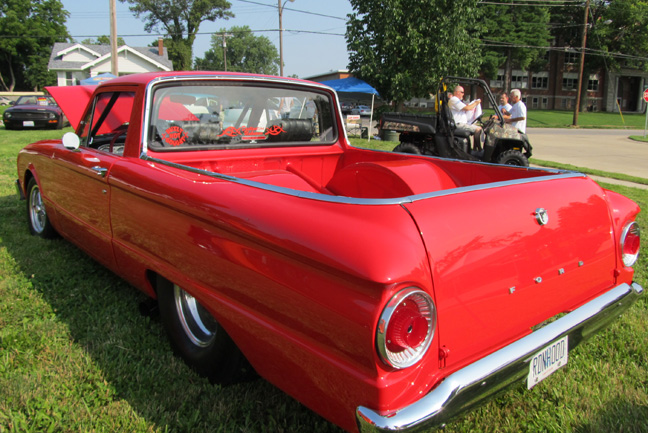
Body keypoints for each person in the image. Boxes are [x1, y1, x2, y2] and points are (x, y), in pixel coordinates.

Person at [448, 85, 483, 151]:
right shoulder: (454, 99)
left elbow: (466, 107)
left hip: (462, 123)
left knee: (478, 128)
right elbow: (468, 108)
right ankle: (479, 150)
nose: (463, 94)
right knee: (478, 129)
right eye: (462, 92)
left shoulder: (457, 101)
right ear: (457, 92)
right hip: (458, 124)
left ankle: (475, 149)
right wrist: (476, 102)